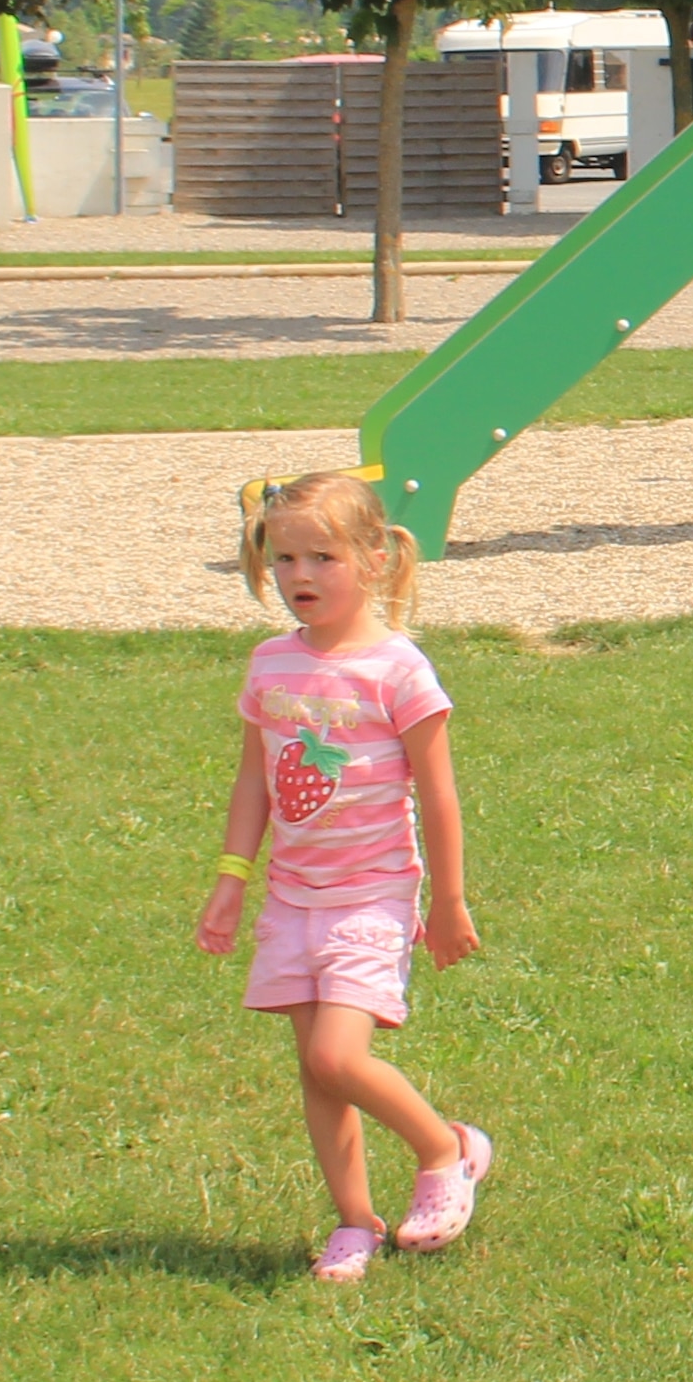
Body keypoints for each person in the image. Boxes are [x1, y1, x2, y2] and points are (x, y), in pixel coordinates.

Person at [200, 470, 490, 1282]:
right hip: (292, 896)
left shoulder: (397, 669)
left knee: (338, 1056)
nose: (300, 575)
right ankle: (354, 1222)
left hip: (372, 895)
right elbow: (254, 779)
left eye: (321, 556)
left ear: (372, 559)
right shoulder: (270, 665)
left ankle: (447, 1148)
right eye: (283, 556)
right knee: (316, 1071)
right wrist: (232, 876)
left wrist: (449, 901)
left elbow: (438, 794)